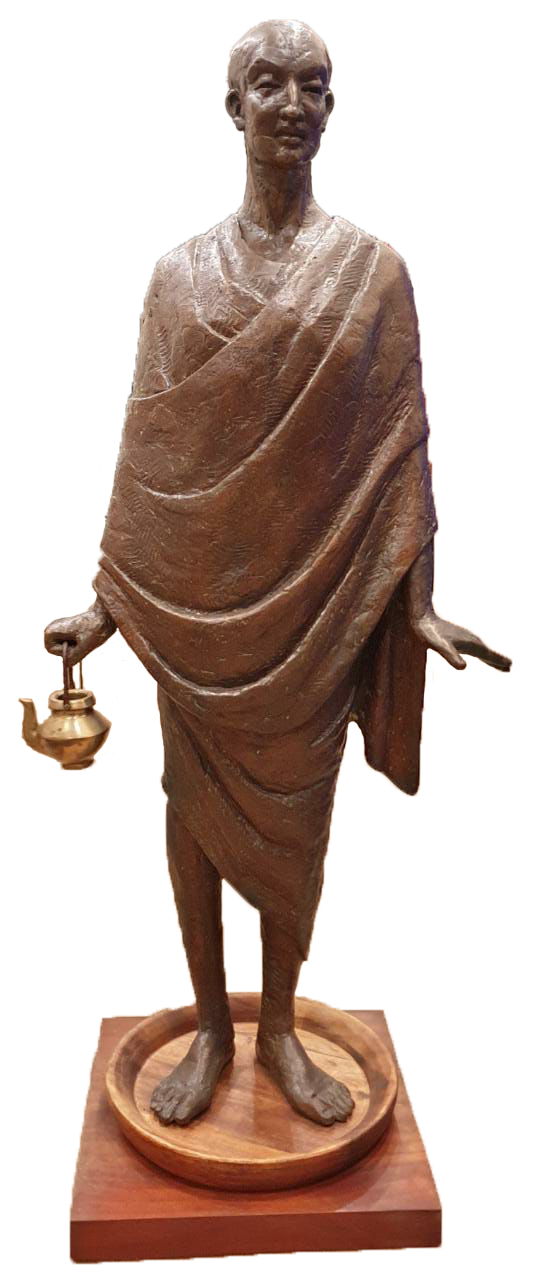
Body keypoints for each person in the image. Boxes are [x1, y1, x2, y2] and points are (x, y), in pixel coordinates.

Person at [45, 19, 510, 1128]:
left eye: (315, 85)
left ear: (331, 110)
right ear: (233, 106)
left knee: (298, 828)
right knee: (191, 813)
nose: (294, 103)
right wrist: (108, 607)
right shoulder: (178, 278)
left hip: (318, 606)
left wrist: (416, 602)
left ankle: (285, 1024)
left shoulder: (374, 273)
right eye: (269, 83)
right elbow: (151, 459)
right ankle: (212, 1025)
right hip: (201, 610)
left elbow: (399, 444)